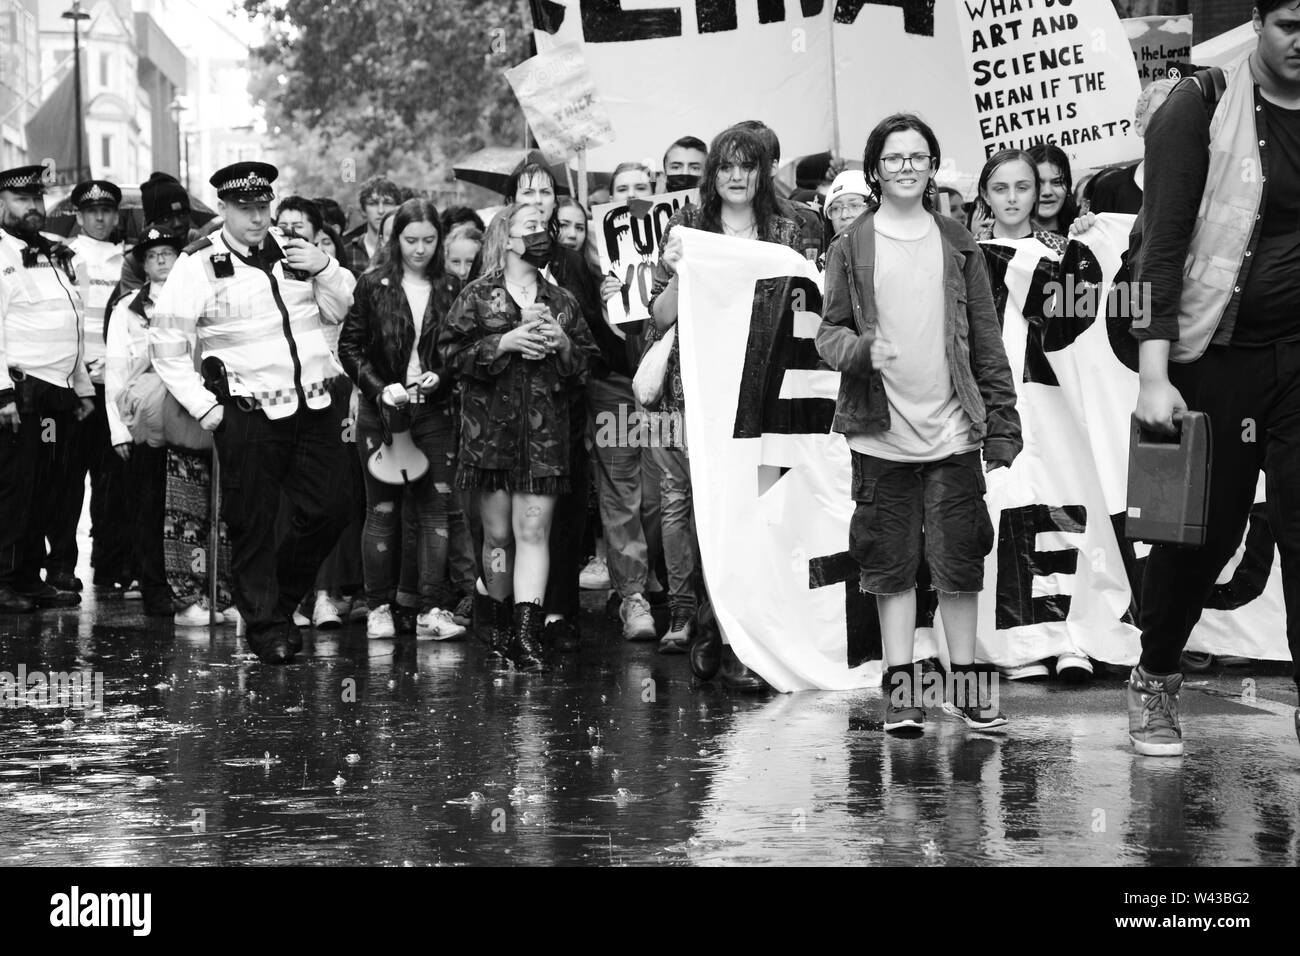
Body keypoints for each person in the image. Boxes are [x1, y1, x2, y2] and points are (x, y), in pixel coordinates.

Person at [814, 113, 1022, 734]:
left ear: (932, 166)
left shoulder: (958, 241)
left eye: (918, 156)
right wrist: (860, 352)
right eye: (894, 157)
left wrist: (1002, 424)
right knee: (889, 568)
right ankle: (902, 692)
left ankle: (969, 688)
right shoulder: (850, 247)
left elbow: (986, 339)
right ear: (876, 169)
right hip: (881, 437)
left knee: (960, 566)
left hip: (955, 434)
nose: (906, 166)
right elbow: (828, 332)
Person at [1131, 0, 1300, 756]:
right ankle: (1156, 675)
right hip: (1216, 358)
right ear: (1257, 23)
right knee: (1202, 538)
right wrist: (1153, 375)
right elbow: (1157, 254)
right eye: (1291, 23)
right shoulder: (1198, 105)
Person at [150, 161, 357, 664]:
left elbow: (346, 305)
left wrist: (325, 267)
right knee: (253, 524)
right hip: (248, 412)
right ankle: (265, 626)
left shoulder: (294, 251)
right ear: (224, 209)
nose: (257, 218)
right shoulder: (198, 262)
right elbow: (166, 343)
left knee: (334, 507)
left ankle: (278, 602)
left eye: (263, 207)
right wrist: (206, 408)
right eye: (245, 209)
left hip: (314, 404)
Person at [646, 125, 801, 679]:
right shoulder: (688, 226)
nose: (736, 176)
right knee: (710, 511)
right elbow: (660, 317)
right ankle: (711, 625)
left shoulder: (789, 229)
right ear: (713, 175)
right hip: (704, 397)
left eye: (747, 166)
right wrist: (682, 270)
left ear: (762, 173)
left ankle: (748, 641)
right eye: (726, 166)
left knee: (757, 513)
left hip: (764, 393)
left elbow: (803, 308)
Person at [438, 202, 597, 670]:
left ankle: (527, 634)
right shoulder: (475, 296)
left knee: (534, 531)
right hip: (489, 437)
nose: (541, 234)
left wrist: (563, 344)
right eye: (531, 227)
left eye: (544, 228)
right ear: (507, 238)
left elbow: (585, 365)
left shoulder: (562, 301)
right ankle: (499, 617)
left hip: (544, 438)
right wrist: (501, 343)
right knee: (499, 538)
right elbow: (448, 356)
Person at [339, 198, 467, 641]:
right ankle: (378, 606)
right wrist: (378, 387)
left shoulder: (452, 287)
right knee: (383, 510)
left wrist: (443, 373)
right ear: (396, 240)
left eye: (429, 240)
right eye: (411, 240)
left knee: (435, 511)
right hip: (383, 411)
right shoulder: (373, 283)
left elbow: (459, 348)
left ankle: (431, 607)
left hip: (433, 409)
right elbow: (349, 348)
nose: (420, 249)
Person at [501, 160, 608, 651]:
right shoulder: (496, 265)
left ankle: (557, 613)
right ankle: (505, 615)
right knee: (509, 525)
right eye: (529, 191)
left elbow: (594, 346)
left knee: (561, 514)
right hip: (502, 420)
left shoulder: (572, 265)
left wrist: (566, 341)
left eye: (547, 191)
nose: (540, 199)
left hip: (564, 407)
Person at [0, 165, 94, 612]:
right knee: (13, 489)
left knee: (45, 488)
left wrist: (81, 387)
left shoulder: (56, 254)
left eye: (37, 198)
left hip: (56, 394)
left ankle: (28, 577)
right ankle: (5, 581)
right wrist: (1, 395)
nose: (34, 207)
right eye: (22, 200)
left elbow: (71, 324)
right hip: (19, 395)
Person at [275, 195, 364, 629]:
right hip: (275, 397)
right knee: (283, 504)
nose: (290, 234)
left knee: (331, 498)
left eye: (300, 228)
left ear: (317, 234)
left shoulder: (334, 272)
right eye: (283, 225)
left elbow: (345, 308)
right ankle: (284, 597)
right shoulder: (262, 272)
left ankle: (327, 594)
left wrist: (320, 268)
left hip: (330, 394)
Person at [104, 224, 196, 618]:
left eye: (168, 254)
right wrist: (118, 429)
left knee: (191, 505)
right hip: (146, 420)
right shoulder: (128, 308)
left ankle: (194, 583)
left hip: (190, 416)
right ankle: (154, 586)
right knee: (148, 505)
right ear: (143, 264)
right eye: (153, 255)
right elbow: (116, 370)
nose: (161, 260)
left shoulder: (194, 300)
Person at [48, 180, 128, 595]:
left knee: (113, 479)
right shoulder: (60, 255)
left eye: (107, 211)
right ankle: (61, 566)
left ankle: (111, 566)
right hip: (75, 386)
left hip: (115, 385)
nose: (100, 218)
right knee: (66, 479)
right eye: (91, 211)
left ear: (116, 215)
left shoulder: (128, 260)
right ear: (78, 215)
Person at [1086, 79, 1178, 216]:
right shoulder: (1110, 189)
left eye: (1178, 116)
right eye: (1159, 114)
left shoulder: (1205, 189)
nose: (1169, 124)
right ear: (1139, 126)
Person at [120, 172, 197, 295]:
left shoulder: (201, 250)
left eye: (182, 214)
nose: (177, 223)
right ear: (150, 224)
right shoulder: (135, 263)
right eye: (166, 218)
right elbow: (135, 309)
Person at [346, 176, 401, 276]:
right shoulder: (347, 253)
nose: (381, 211)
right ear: (363, 210)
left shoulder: (405, 250)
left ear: (397, 208)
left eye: (387, 203)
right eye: (373, 203)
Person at [1028, 144, 1079, 236]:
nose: (1047, 192)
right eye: (1037, 183)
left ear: (1068, 188)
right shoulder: (1002, 244)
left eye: (1057, 182)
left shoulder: (1081, 238)